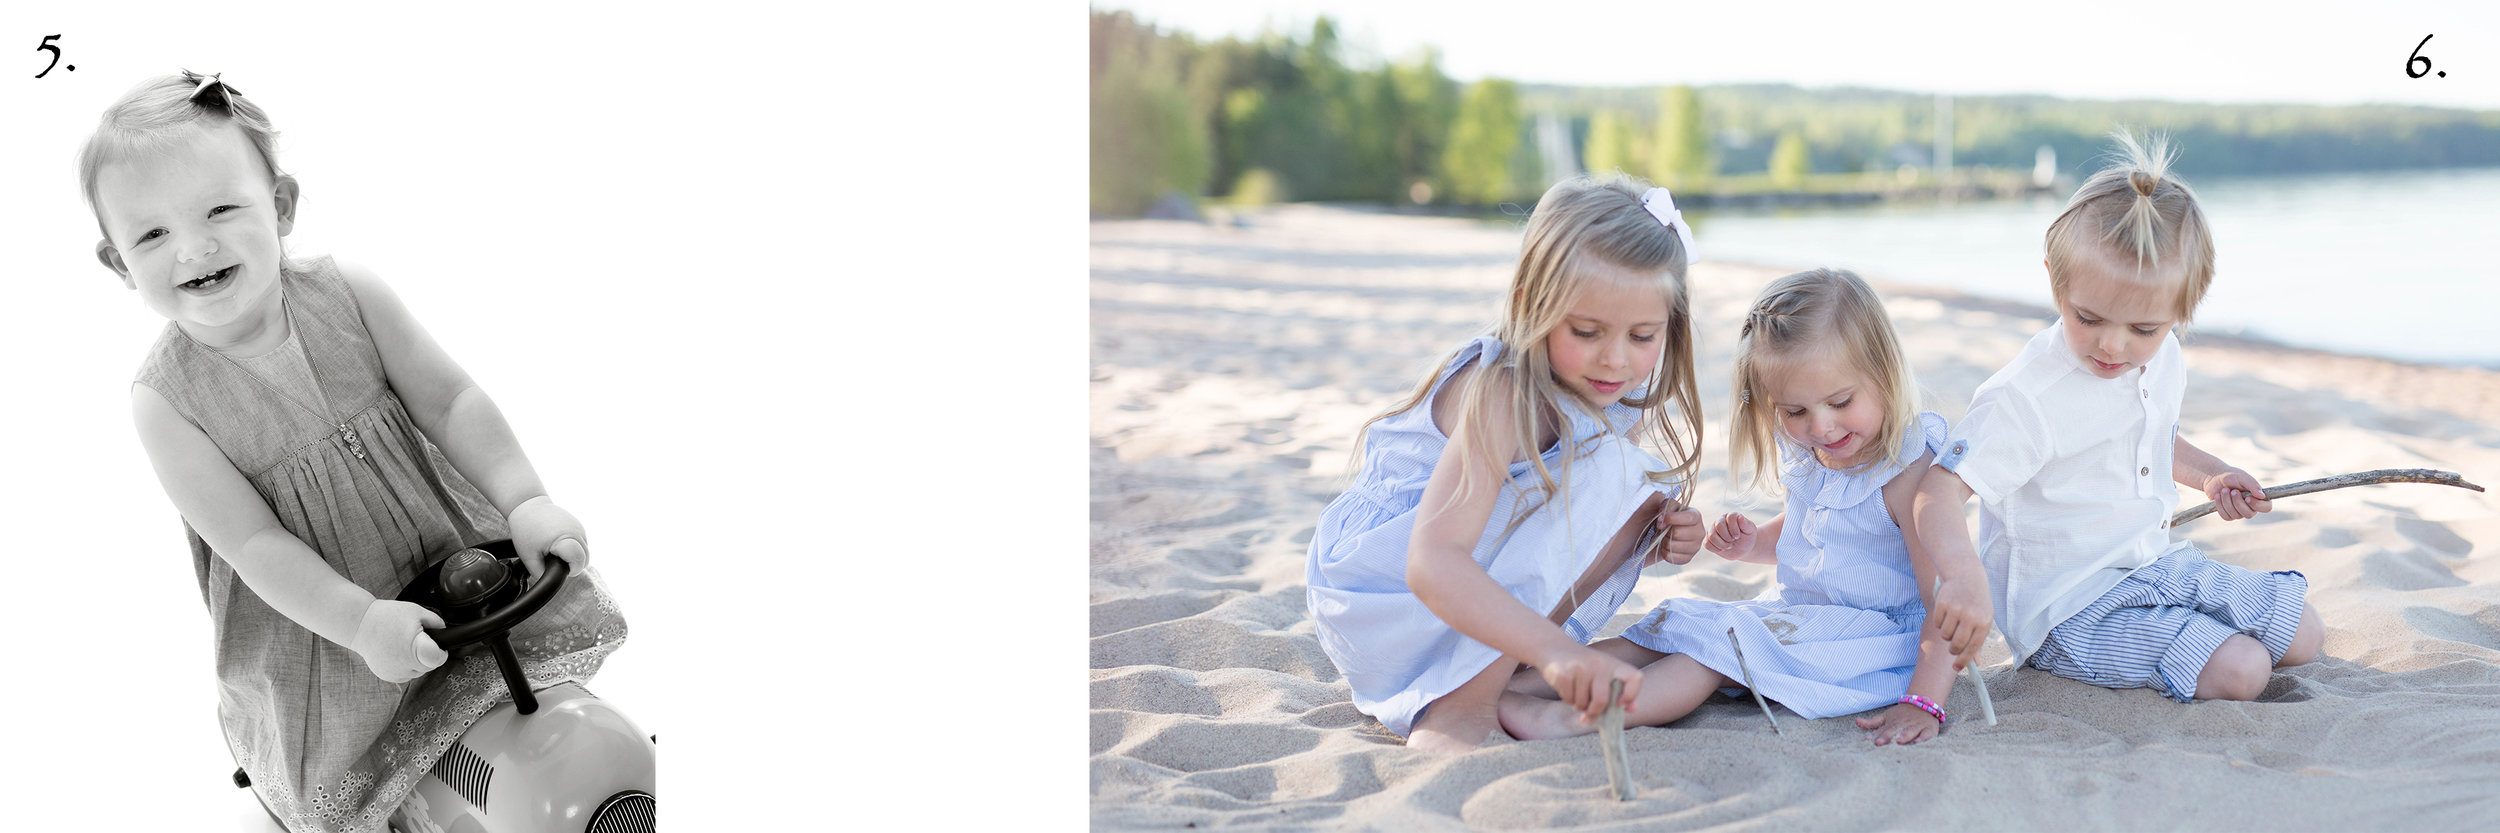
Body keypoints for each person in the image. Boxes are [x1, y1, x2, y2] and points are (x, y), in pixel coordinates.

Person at [80, 71, 628, 832]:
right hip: (325, 621)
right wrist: (362, 622)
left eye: (221, 209)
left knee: (506, 661)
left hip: (444, 550)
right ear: (118, 264)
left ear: (280, 207)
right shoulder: (165, 402)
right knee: (370, 753)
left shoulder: (349, 294)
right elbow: (253, 541)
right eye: (153, 234)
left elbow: (451, 400)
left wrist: (524, 497)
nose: (194, 246)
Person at [1913, 130, 2324, 706]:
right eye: (2089, 316)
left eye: (2144, 329)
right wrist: (1962, 574)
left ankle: (2188, 628)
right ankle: (2179, 644)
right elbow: (1938, 491)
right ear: (2056, 275)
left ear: (2182, 310)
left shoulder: (2165, 357)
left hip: (2154, 562)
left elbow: (2152, 438)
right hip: (2069, 605)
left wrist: (2211, 475)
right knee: (2243, 670)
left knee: (2304, 631)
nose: (2112, 345)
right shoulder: (2027, 397)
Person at [1305, 174, 1711, 753]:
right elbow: (1431, 561)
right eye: (1587, 331)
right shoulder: (1500, 394)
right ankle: (1459, 710)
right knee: (1615, 474)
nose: (1616, 358)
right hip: (1383, 591)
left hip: (1438, 602)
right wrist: (1558, 652)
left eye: (1643, 335)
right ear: (1530, 304)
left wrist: (1659, 531)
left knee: (1636, 487)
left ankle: (1503, 685)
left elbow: (1590, 520)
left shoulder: (1602, 393)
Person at [1502, 268, 1971, 745]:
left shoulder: (1907, 468)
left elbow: (1940, 601)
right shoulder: (1825, 451)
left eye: (1840, 401)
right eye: (1795, 412)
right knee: (1669, 625)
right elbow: (1823, 533)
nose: (1822, 427)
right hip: (1809, 619)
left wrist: (1923, 703)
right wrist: (1756, 544)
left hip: (1877, 644)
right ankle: (1512, 685)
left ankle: (1572, 721)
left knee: (1710, 656)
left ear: (1884, 371)